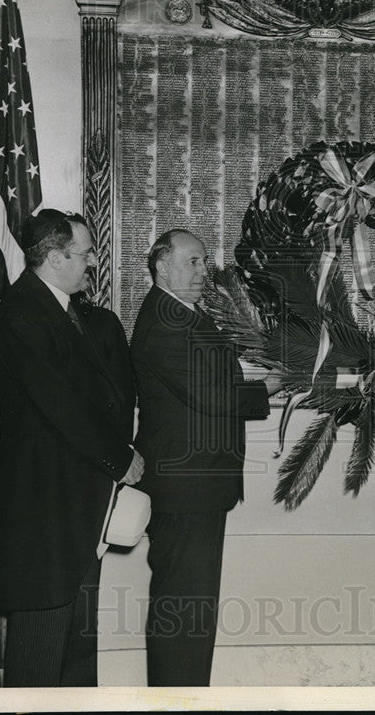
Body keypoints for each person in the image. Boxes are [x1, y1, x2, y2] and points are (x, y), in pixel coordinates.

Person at [0, 210, 144, 687]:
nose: (92, 262)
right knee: (38, 655)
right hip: (44, 508)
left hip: (76, 504)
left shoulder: (58, 310)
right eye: (85, 253)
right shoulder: (22, 313)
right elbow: (62, 405)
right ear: (54, 258)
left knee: (75, 647)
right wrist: (121, 459)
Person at [131, 228, 283, 686]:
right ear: (162, 267)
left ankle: (186, 695)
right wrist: (263, 390)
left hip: (196, 486)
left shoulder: (181, 314)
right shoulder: (164, 321)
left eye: (203, 262)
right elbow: (210, 394)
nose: (204, 271)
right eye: (193, 262)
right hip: (185, 487)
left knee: (191, 608)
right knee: (183, 609)